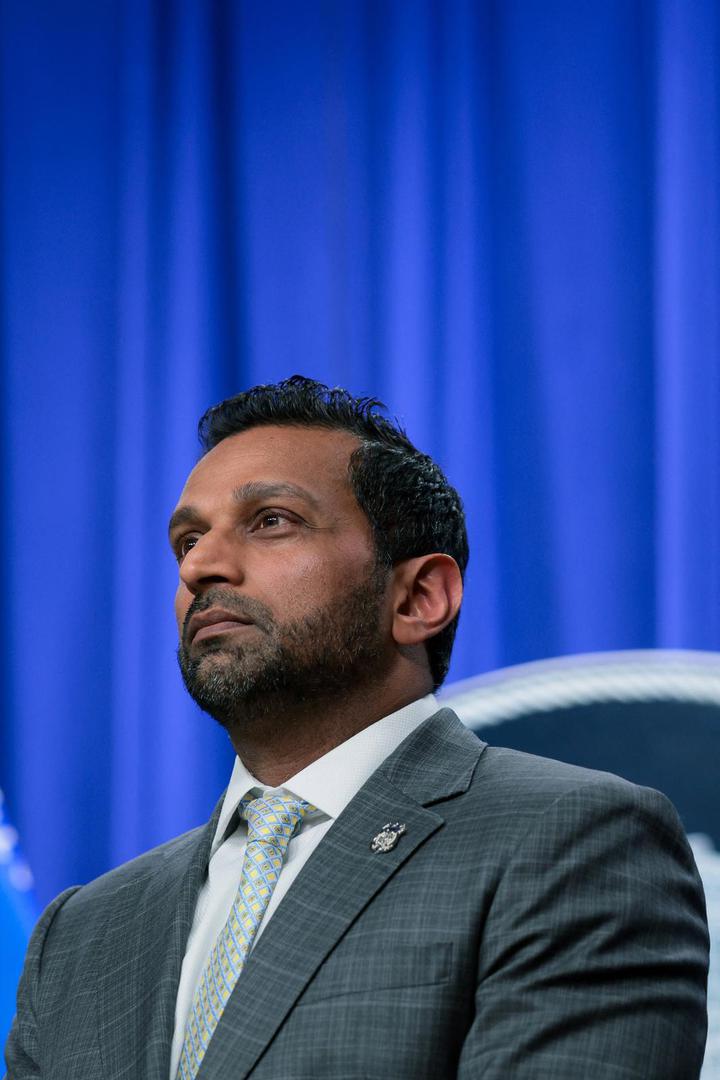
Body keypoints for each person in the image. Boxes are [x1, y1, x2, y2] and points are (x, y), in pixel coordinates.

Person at [5, 376, 709, 1079]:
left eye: (271, 521)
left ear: (418, 597)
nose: (201, 567)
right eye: (188, 540)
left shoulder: (574, 842)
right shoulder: (81, 933)